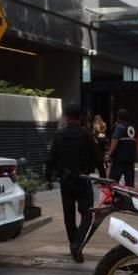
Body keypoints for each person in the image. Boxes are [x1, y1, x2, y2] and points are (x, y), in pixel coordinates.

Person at [45, 104, 106, 263]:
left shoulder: (59, 135)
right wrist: (103, 177)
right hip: (83, 179)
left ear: (66, 117)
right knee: (88, 213)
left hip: (66, 181)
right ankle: (78, 243)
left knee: (69, 215)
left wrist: (48, 178)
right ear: (81, 117)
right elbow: (98, 157)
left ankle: (73, 244)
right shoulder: (86, 135)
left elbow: (50, 158)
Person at [106, 109, 137, 186]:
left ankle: (114, 196)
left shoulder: (120, 127)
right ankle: (128, 197)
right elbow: (137, 141)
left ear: (118, 118)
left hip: (120, 158)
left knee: (113, 181)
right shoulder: (133, 128)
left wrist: (109, 153)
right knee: (129, 183)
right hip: (130, 158)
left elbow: (115, 140)